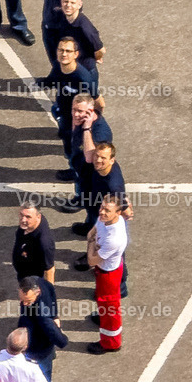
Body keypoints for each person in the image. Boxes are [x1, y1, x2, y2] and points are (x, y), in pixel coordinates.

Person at [73, 141, 131, 299]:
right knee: (93, 224)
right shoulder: (99, 168)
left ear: (112, 160)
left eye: (103, 158)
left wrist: (122, 212)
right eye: (97, 156)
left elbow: (123, 206)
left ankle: (121, 286)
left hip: (105, 215)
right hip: (97, 208)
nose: (98, 160)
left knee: (116, 251)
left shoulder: (113, 186)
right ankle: (90, 236)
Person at [35, 37, 97, 168]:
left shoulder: (83, 79)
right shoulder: (58, 66)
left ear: (76, 54)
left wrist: (88, 122)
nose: (64, 54)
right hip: (62, 108)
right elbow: (52, 80)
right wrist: (44, 83)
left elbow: (97, 101)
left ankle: (73, 166)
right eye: (61, 50)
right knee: (56, 114)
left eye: (68, 51)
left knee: (71, 144)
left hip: (75, 117)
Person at [86, 194, 128, 354]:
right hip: (104, 270)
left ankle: (111, 343)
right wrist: (92, 238)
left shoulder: (114, 239)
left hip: (109, 275)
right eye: (102, 207)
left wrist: (91, 242)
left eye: (107, 210)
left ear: (118, 213)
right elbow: (95, 229)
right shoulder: (106, 219)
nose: (102, 212)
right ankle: (102, 318)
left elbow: (91, 260)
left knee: (110, 309)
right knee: (102, 303)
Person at [17, 276, 68, 382]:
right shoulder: (41, 282)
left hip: (38, 350)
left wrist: (62, 337)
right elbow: (53, 297)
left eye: (28, 301)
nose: (24, 304)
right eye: (22, 300)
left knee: (43, 377)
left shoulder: (42, 314)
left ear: (37, 292)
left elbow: (57, 336)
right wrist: (55, 316)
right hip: (46, 344)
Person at [56, 93, 112, 187]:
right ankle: (74, 172)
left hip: (90, 175)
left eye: (80, 111)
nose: (75, 114)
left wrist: (86, 129)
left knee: (83, 191)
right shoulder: (81, 118)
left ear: (90, 112)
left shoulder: (100, 134)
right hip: (79, 164)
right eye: (74, 109)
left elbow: (90, 158)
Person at [58, 0, 105, 82]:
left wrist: (96, 57)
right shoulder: (63, 17)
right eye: (66, 1)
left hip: (86, 71)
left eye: (73, 3)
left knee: (87, 92)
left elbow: (101, 50)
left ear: (79, 5)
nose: (68, 5)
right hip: (71, 68)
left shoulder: (85, 28)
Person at [41, 0, 74, 69]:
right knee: (53, 59)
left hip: (61, 33)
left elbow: (74, 19)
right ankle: (55, 74)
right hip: (47, 27)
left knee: (64, 62)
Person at [12, 200, 55, 283]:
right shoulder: (28, 225)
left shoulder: (44, 243)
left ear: (38, 217)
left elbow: (49, 270)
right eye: (21, 215)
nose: (23, 220)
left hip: (33, 278)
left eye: (28, 217)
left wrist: (48, 290)